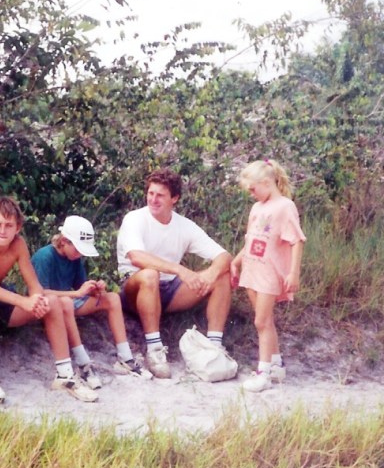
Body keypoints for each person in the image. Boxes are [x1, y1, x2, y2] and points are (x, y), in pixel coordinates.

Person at [0, 197, 98, 403]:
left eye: (8, 225)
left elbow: (34, 285)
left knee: (51, 300)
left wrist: (38, 300)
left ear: (18, 227)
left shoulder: (18, 244)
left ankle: (64, 375)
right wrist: (23, 302)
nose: (2, 230)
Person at [116, 169, 234, 379]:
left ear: (174, 198)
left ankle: (214, 346)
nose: (153, 199)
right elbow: (136, 257)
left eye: (160, 195)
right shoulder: (135, 219)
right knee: (150, 274)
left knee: (221, 276)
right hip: (135, 288)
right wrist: (179, 269)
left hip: (170, 291)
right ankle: (154, 349)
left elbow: (224, 256)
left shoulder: (184, 225)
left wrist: (209, 275)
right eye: (151, 193)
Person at [31, 216, 152, 388]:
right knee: (65, 302)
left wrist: (94, 289)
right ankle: (83, 363)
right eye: (78, 249)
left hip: (69, 302)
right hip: (48, 308)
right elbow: (39, 293)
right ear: (64, 241)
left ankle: (126, 358)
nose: (80, 254)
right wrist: (76, 294)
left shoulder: (74, 258)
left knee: (112, 298)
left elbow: (80, 287)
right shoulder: (44, 257)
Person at [230, 160, 305, 392]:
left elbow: (296, 240)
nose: (251, 194)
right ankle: (276, 364)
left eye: (253, 189)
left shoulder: (285, 206)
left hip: (270, 272)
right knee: (265, 320)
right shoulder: (257, 208)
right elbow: (251, 240)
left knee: (260, 322)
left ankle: (263, 373)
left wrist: (293, 272)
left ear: (266, 182)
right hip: (252, 269)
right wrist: (236, 262)